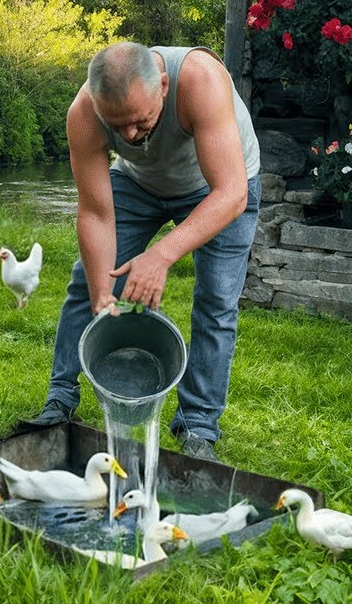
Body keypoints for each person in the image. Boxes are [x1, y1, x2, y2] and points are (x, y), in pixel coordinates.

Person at [26, 42, 261, 462]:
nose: (129, 136)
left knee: (216, 302)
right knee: (87, 284)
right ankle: (60, 401)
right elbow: (96, 213)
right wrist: (103, 291)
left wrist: (161, 255)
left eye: (139, 122)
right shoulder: (84, 114)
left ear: (164, 87)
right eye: (117, 128)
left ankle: (199, 427)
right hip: (139, 185)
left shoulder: (199, 80)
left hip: (219, 186)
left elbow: (231, 194)